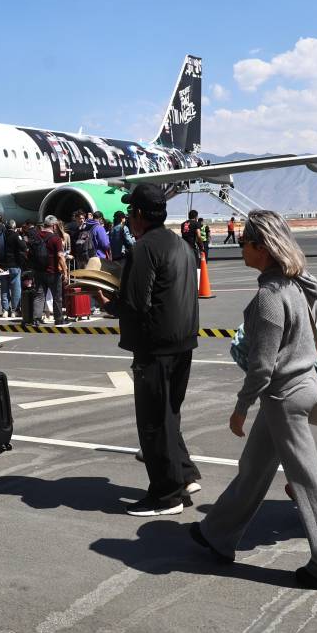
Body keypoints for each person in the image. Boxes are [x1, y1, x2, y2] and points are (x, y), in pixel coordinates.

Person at [192, 210, 317, 590]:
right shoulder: (300, 284)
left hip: (283, 394)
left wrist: (240, 408)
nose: (240, 249)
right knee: (253, 466)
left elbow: (261, 368)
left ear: (262, 248)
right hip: (300, 387)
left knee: (308, 481)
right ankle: (217, 534)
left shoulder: (269, 297)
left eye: (244, 243)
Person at [97, 184, 201, 516]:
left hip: (155, 347)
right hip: (183, 343)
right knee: (169, 415)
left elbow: (135, 302)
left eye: (130, 212)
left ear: (140, 214)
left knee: (154, 422)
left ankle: (166, 495)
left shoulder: (143, 249)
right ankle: (183, 476)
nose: (127, 218)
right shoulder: (181, 244)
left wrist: (106, 301)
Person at [31, 216, 68, 325]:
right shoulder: (55, 238)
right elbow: (61, 257)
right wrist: (65, 272)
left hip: (38, 271)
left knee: (39, 295)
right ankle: (59, 319)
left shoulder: (36, 236)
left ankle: (36, 319)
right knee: (57, 296)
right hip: (53, 272)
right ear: (54, 225)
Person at [0, 220, 25, 318]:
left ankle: (5, 310)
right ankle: (15, 310)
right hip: (14, 265)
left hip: (2, 266)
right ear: (14, 227)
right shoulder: (15, 235)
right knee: (16, 289)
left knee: (4, 289)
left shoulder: (1, 235)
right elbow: (23, 246)